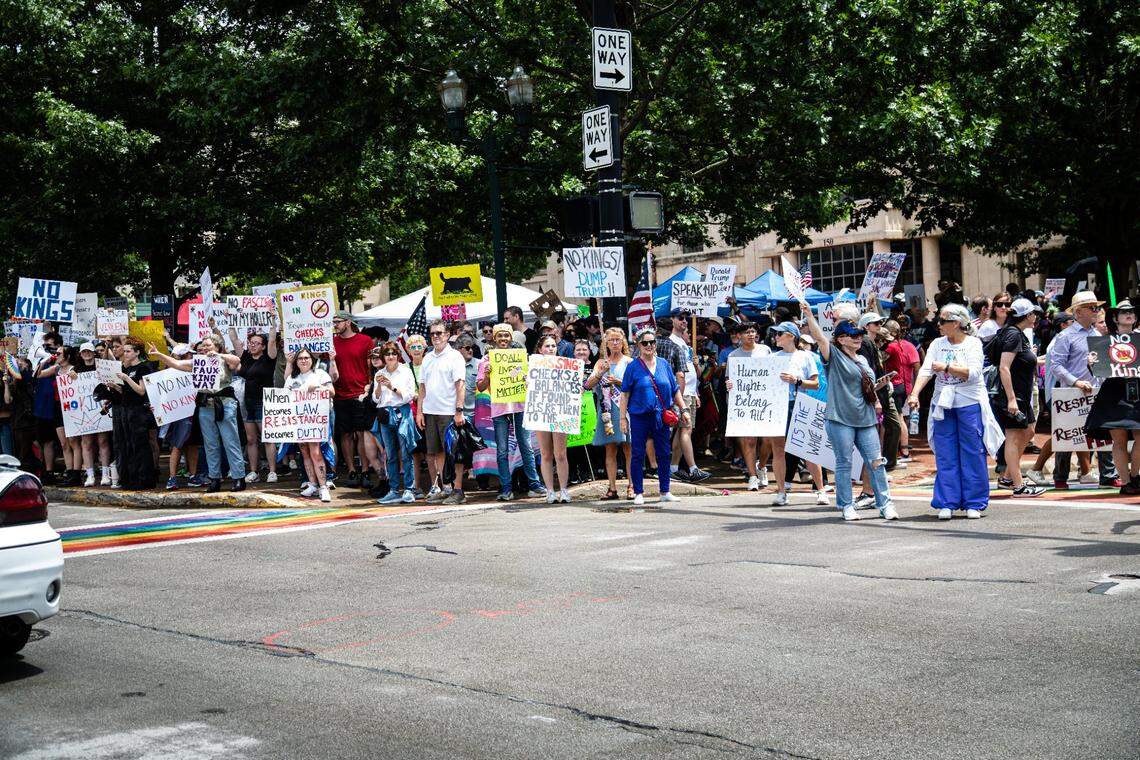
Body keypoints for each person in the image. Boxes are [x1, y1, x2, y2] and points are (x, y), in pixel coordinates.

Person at [800, 300, 898, 521]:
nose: (858, 337)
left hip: (866, 418)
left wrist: (878, 386)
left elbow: (865, 388)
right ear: (841, 339)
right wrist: (809, 314)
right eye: (853, 335)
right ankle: (846, 505)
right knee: (844, 463)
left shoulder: (863, 359)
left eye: (859, 334)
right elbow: (819, 338)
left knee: (876, 461)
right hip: (840, 419)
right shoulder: (833, 356)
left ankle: (886, 504)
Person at [907, 305, 998, 518]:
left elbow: (974, 373)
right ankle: (947, 501)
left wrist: (947, 367)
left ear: (956, 323)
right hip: (943, 403)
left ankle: (974, 503)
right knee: (945, 452)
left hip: (969, 402)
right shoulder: (937, 344)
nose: (937, 325)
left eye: (942, 321)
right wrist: (914, 394)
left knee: (973, 451)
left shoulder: (973, 343)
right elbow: (927, 369)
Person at [150, 334, 246, 492]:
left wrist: (218, 355)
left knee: (230, 441)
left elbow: (236, 362)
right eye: (203, 346)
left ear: (217, 347)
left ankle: (238, 477)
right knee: (210, 444)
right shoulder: (197, 363)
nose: (205, 348)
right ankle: (214, 478)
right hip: (205, 405)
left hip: (224, 404)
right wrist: (159, 354)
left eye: (209, 345)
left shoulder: (224, 359)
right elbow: (177, 363)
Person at [475, 324, 545, 501]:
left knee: (526, 447)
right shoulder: (487, 360)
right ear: (495, 338)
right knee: (502, 450)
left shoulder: (520, 358)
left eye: (506, 335)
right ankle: (506, 488)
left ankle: (534, 485)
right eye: (500, 336)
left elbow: (531, 382)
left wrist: (525, 378)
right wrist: (489, 375)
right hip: (499, 409)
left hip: (520, 407)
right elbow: (481, 386)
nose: (503, 339)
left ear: (511, 338)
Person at [620, 327, 687, 506]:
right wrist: (622, 418)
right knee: (637, 453)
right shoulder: (633, 367)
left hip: (661, 415)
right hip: (639, 416)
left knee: (664, 453)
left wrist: (684, 409)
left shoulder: (664, 363)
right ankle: (638, 492)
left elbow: (674, 390)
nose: (649, 345)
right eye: (645, 343)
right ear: (639, 345)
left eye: (652, 342)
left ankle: (665, 490)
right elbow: (624, 394)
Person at [990, 298, 1046, 496]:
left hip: (1021, 395)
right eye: (1034, 313)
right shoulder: (1013, 335)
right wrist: (1011, 399)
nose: (1036, 317)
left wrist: (1039, 360)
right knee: (1013, 438)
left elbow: (1020, 362)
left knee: (1029, 431)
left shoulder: (1015, 333)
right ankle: (1018, 485)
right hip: (1013, 397)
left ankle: (1007, 477)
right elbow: (1004, 367)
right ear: (1027, 315)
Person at [1085, 296, 1140, 493]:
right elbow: (1099, 370)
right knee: (1119, 440)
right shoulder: (1104, 342)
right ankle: (1126, 483)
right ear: (1115, 318)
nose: (1129, 314)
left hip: (1137, 389)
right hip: (1114, 393)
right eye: (1124, 312)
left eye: (1131, 311)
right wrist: (1091, 364)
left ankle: (1135, 476)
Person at [765, 322, 822, 506]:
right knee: (778, 449)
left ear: (791, 335)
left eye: (780, 333)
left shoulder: (805, 356)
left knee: (807, 449)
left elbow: (815, 383)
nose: (776, 337)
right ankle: (781, 492)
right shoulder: (772, 357)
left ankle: (820, 489)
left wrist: (796, 381)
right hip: (778, 405)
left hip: (799, 403)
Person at [417, 319, 468, 504]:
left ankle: (458, 489)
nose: (436, 337)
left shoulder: (455, 356)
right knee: (437, 451)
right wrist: (419, 412)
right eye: (432, 333)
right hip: (431, 411)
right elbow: (422, 387)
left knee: (455, 452)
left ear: (447, 335)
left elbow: (460, 385)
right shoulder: (427, 357)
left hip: (449, 412)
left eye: (439, 333)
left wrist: (459, 410)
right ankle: (446, 487)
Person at [332, 311, 380, 491]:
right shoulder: (332, 343)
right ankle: (352, 470)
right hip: (339, 394)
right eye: (333, 321)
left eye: (338, 321)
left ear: (348, 322)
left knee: (361, 433)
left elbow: (370, 365)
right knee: (345, 434)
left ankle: (365, 470)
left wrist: (369, 386)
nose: (335, 324)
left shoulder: (365, 340)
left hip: (360, 392)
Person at [723, 322, 771, 491]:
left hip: (765, 401)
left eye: (753, 331)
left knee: (767, 440)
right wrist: (729, 386)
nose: (751, 334)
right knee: (749, 440)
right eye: (747, 332)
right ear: (739, 336)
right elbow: (729, 379)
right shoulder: (734, 356)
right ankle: (752, 476)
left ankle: (762, 466)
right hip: (745, 404)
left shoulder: (765, 350)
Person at [586, 328, 632, 500]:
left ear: (623, 342)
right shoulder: (600, 363)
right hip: (607, 410)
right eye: (611, 340)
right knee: (610, 450)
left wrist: (619, 381)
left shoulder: (629, 362)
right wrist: (600, 373)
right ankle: (612, 488)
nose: (614, 343)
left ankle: (632, 485)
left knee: (629, 449)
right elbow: (587, 385)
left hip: (624, 409)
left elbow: (636, 385)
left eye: (617, 340)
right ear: (605, 343)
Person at [104, 336, 156, 490]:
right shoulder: (127, 368)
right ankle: (131, 477)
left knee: (140, 445)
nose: (125, 353)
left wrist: (126, 379)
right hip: (127, 409)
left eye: (128, 351)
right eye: (124, 351)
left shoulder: (143, 368)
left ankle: (144, 478)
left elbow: (141, 391)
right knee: (129, 444)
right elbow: (126, 391)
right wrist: (116, 386)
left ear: (136, 352)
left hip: (139, 410)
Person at [285, 348, 335, 502]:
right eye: (300, 358)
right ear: (296, 361)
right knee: (305, 452)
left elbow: (332, 392)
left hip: (315, 421)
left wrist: (318, 388)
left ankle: (323, 487)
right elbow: (284, 396)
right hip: (299, 421)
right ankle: (312, 484)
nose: (304, 360)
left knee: (316, 452)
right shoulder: (292, 378)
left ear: (312, 360)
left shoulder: (320, 374)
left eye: (306, 357)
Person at [667, 310, 710, 483]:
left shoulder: (686, 345)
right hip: (681, 393)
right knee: (686, 429)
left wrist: (695, 391)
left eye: (686, 319)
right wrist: (680, 395)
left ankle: (674, 468)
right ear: (673, 320)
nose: (684, 321)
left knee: (683, 430)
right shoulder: (672, 342)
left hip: (690, 393)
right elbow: (676, 372)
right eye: (680, 318)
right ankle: (693, 468)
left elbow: (694, 373)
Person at [528, 335, 572, 503]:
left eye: (553, 346)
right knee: (546, 454)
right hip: (541, 412)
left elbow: (573, 386)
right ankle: (550, 491)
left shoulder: (566, 366)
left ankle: (564, 490)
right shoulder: (534, 366)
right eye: (547, 346)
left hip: (561, 412)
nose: (551, 349)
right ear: (540, 349)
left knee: (560, 453)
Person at [372, 342, 417, 504]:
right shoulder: (380, 372)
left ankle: (409, 489)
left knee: (406, 453)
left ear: (398, 355)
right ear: (383, 357)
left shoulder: (405, 371)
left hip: (402, 413)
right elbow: (375, 399)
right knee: (390, 454)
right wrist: (378, 384)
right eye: (387, 354)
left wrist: (391, 386)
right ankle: (393, 490)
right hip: (385, 415)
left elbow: (409, 395)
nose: (390, 357)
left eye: (393, 353)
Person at [233, 329, 279, 484]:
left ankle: (272, 471)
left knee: (267, 438)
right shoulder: (245, 357)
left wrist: (273, 322)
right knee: (251, 439)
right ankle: (254, 471)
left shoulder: (269, 358)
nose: (252, 345)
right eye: (251, 343)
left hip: (263, 402)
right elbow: (234, 340)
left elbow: (272, 340)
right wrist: (232, 321)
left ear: (263, 346)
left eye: (256, 343)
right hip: (247, 402)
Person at [881, 321, 920, 462]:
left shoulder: (890, 347)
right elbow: (917, 366)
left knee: (897, 417)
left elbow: (879, 360)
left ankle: (903, 450)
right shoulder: (908, 345)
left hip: (895, 385)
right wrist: (915, 390)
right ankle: (902, 449)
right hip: (905, 386)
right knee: (900, 416)